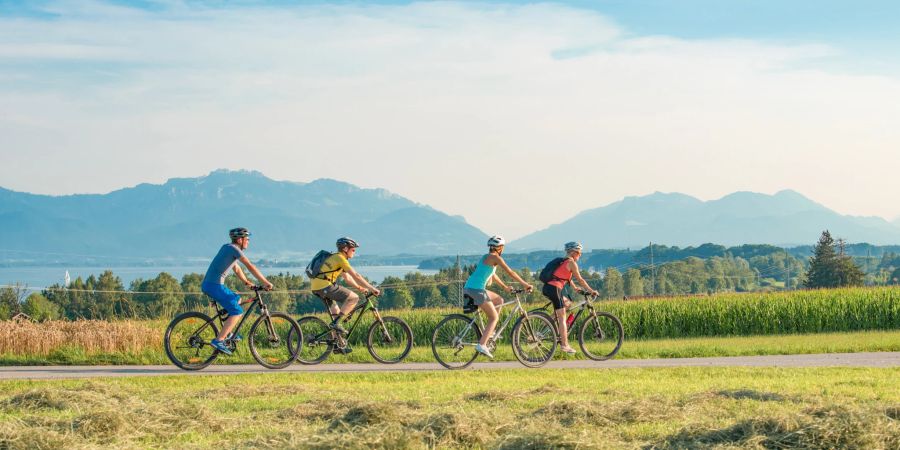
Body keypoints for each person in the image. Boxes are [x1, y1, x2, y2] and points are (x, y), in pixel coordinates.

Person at [201, 227, 274, 355]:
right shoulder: (234, 249)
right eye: (247, 239)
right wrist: (265, 282)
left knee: (237, 299)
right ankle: (219, 340)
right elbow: (250, 266)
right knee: (237, 311)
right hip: (214, 285)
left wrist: (247, 282)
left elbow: (237, 268)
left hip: (210, 284)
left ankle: (228, 333)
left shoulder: (228, 248)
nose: (248, 241)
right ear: (240, 240)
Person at [464, 235, 534, 359]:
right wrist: (525, 284)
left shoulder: (486, 257)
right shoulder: (496, 258)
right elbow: (510, 272)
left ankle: (490, 332)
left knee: (499, 300)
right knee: (494, 317)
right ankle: (482, 345)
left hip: (472, 288)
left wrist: (505, 287)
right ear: (500, 248)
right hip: (476, 290)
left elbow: (493, 275)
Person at [309, 237, 381, 345]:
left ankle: (337, 344)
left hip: (317, 287)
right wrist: (372, 288)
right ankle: (336, 325)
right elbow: (356, 275)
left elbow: (347, 278)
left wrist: (359, 288)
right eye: (353, 249)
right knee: (353, 298)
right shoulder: (340, 258)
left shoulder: (336, 258)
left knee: (336, 314)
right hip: (325, 286)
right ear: (345, 249)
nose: (354, 251)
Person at [541, 241, 598, 354]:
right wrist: (591, 291)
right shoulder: (571, 263)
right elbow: (580, 279)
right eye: (578, 253)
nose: (580, 255)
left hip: (548, 288)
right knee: (562, 317)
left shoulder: (562, 261)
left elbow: (565, 277)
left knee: (567, 303)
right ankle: (565, 345)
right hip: (555, 289)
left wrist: (574, 287)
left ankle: (546, 322)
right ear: (573, 252)